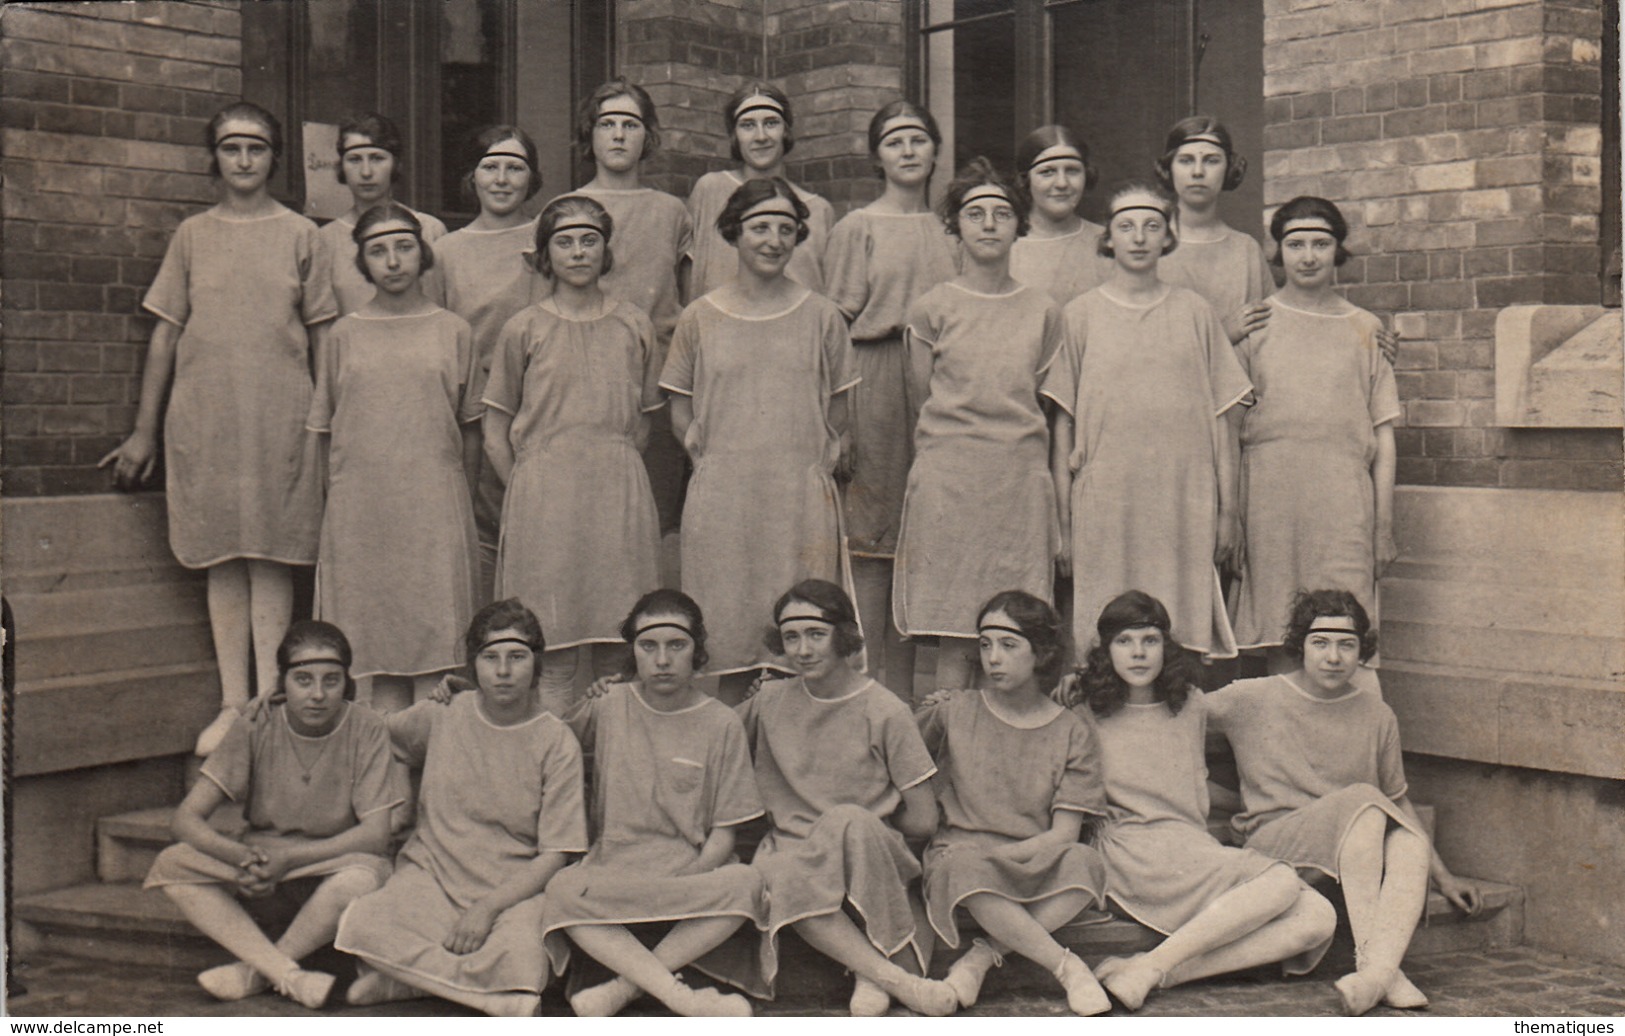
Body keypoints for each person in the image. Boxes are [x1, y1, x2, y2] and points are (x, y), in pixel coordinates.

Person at [100, 102, 337, 756]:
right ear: (215, 157)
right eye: (231, 148)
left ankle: (271, 698)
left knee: (272, 550)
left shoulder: (300, 235)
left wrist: (327, 425)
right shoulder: (193, 236)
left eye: (256, 148)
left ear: (273, 156)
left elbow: (323, 339)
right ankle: (234, 703)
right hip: (207, 420)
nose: (243, 160)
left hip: (281, 418)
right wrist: (143, 432)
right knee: (223, 552)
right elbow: (165, 335)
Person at [1207, 590, 1483, 1015]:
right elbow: (1168, 714)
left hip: (1353, 845)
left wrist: (1443, 878)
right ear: (1301, 646)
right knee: (1364, 803)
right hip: (1275, 845)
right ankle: (1384, 968)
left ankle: (1373, 975)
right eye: (1321, 643)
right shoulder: (1250, 697)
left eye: (1346, 644)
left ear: (1361, 651)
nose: (1333, 657)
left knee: (1403, 837)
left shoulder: (1376, 713)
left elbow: (1399, 802)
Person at [1059, 591, 1336, 1011]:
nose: (1138, 653)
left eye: (1149, 640)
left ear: (1165, 647)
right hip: (1129, 849)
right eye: (1124, 641)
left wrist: (1267, 799)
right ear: (1105, 650)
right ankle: (1155, 969)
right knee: (1279, 881)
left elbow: (1189, 783)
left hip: (1190, 847)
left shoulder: (1188, 705)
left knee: (1319, 917)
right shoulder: (1083, 710)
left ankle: (1154, 968)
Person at [335, 599, 588, 1016]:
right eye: (490, 658)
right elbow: (376, 735)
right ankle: (493, 1003)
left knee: (524, 960)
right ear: (473, 666)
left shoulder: (557, 742)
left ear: (536, 665)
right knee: (363, 923)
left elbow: (556, 854)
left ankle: (401, 981)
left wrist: (487, 909)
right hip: (431, 876)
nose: (503, 671)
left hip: (512, 891)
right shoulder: (444, 714)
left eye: (517, 657)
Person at [660, 178, 858, 703]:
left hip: (797, 502)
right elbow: (680, 410)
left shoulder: (822, 316)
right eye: (760, 227)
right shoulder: (699, 316)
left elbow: (838, 413)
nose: (773, 240)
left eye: (786, 229)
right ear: (734, 232)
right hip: (724, 502)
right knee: (725, 639)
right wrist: (711, 462)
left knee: (802, 644)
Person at [144, 621, 404, 1010]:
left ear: (346, 683)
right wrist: (242, 858)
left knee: (364, 877)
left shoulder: (366, 727)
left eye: (331, 680)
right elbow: (185, 820)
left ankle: (259, 971)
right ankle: (290, 975)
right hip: (261, 865)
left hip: (329, 863)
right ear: (282, 682)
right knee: (172, 862)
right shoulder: (255, 724)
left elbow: (374, 835)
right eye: (303, 680)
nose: (317, 694)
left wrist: (291, 860)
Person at [1043, 180, 1252, 661]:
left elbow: (1223, 420)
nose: (1139, 237)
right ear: (1108, 238)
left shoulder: (1195, 313)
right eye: (1126, 226)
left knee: (1177, 630)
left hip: (1181, 499)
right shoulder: (1080, 315)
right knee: (1104, 634)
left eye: (1152, 226)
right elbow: (1062, 430)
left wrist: (1227, 512)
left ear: (1167, 238)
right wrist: (1065, 526)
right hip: (1107, 500)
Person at [739, 580, 959, 1016]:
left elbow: (923, 819)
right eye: (791, 637)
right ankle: (889, 977)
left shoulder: (885, 709)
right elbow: (710, 737)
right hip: (795, 853)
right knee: (781, 870)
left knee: (848, 821)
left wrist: (864, 833)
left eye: (816, 635)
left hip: (868, 851)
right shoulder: (768, 702)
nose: (802, 649)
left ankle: (873, 969)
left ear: (842, 635)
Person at [542, 590, 765, 1017]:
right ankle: (683, 998)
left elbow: (724, 833)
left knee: (747, 884)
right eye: (649, 647)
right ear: (634, 653)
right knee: (561, 889)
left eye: (676, 646)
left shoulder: (722, 722)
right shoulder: (607, 705)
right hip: (613, 873)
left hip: (686, 876)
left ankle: (622, 989)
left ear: (697, 652)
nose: (662, 660)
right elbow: (541, 742)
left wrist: (690, 875)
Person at [484, 195, 663, 717]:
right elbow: (496, 429)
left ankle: (611, 773)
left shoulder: (634, 324)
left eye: (590, 240)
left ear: (606, 250)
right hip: (544, 499)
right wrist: (526, 487)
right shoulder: (524, 328)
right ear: (545, 254)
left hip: (616, 492)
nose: (578, 252)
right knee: (554, 652)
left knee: (618, 645)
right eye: (564, 241)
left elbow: (644, 421)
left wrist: (610, 463)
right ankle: (557, 773)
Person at [893, 158, 1063, 691]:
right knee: (954, 629)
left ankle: (1006, 758)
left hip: (1017, 481)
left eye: (1002, 213)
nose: (989, 224)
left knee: (1013, 629)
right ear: (956, 226)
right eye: (975, 213)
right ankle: (948, 756)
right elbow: (923, 396)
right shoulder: (932, 308)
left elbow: (1044, 400)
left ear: (1019, 225)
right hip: (952, 481)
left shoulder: (1042, 309)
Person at [308, 204, 481, 711]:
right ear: (362, 262)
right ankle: (386, 782)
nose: (393, 261)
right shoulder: (343, 334)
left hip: (433, 507)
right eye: (377, 251)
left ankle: (434, 780)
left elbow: (471, 429)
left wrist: (460, 499)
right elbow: (324, 432)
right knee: (375, 658)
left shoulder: (454, 330)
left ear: (423, 252)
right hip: (363, 513)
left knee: (434, 659)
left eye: (404, 246)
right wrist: (335, 507)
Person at [916, 591, 1111, 1015]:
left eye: (1008, 645)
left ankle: (981, 957)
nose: (993, 658)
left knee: (1087, 864)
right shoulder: (953, 711)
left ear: (1041, 653)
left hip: (1034, 856)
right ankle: (1067, 968)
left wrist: (1003, 855)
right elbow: (898, 757)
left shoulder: (1072, 731)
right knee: (962, 865)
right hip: (964, 857)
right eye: (985, 645)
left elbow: (1063, 833)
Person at [823, 100, 960, 698]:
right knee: (872, 542)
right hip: (874, 377)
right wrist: (841, 423)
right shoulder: (859, 227)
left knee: (922, 536)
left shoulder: (952, 229)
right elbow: (834, 327)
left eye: (918, 139)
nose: (908, 151)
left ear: (935, 151)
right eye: (894, 141)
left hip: (942, 383)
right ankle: (863, 694)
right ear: (877, 156)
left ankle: (903, 707)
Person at [1230, 198, 1401, 662]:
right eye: (1295, 243)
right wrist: (1233, 516)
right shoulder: (1255, 324)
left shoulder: (1366, 328)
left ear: (1337, 251)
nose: (1308, 256)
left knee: (1346, 630)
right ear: (1278, 252)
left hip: (1343, 501)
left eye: (1321, 244)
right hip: (1270, 497)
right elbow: (1229, 429)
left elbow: (1384, 438)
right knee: (1280, 630)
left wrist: (1383, 529)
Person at [565, 78, 696, 535]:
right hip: (583, 384)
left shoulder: (671, 211)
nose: (619, 134)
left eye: (630, 124)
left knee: (651, 522)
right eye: (607, 124)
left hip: (656, 387)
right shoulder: (566, 209)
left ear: (648, 137)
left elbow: (686, 299)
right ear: (591, 135)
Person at [427, 126, 550, 604]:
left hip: (539, 408)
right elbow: (438, 339)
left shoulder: (548, 238)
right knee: (478, 535)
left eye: (515, 168)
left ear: (532, 178)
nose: (502, 179)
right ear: (472, 177)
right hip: (473, 416)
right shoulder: (445, 251)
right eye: (490, 167)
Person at [686, 82, 834, 297]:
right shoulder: (710, 190)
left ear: (786, 131)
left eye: (771, 123)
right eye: (748, 125)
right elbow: (688, 274)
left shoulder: (818, 209)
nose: (761, 136)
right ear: (735, 135)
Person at [1153, 116, 1275, 346]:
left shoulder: (1245, 250)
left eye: (1211, 161)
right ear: (1169, 167)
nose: (1198, 172)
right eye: (1186, 160)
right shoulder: (1148, 244)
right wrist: (1223, 334)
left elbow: (1267, 337)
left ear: (1228, 168)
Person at [315, 112, 448, 316]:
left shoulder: (430, 229)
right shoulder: (325, 241)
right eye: (355, 159)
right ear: (341, 166)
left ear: (394, 163)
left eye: (377, 158)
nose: (366, 172)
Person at [1009, 125, 1113, 306]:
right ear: (1026, 179)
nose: (1062, 183)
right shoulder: (1005, 245)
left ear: (1087, 175)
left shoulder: (1110, 243)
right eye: (1047, 172)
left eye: (1072, 170)